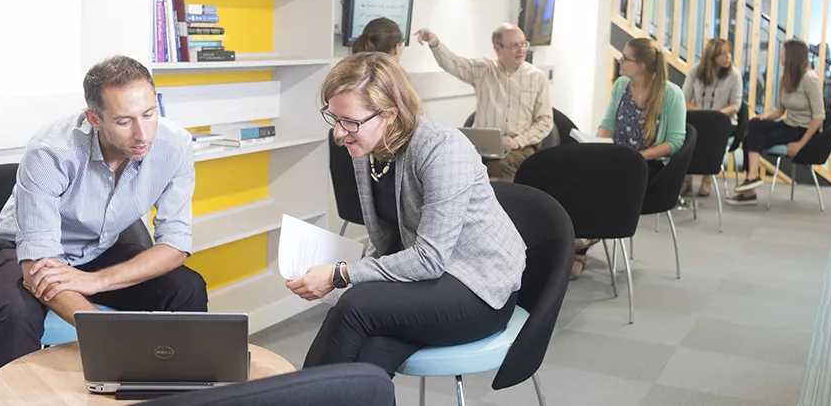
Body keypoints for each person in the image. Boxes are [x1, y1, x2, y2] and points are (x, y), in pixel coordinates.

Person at [0, 55, 208, 397]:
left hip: (99, 250)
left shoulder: (174, 145)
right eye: (124, 121)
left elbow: (175, 246)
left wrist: (94, 281)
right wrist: (110, 337)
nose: (143, 133)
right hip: (20, 251)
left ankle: (179, 396)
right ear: (94, 119)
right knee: (17, 316)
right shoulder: (50, 152)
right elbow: (37, 268)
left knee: (187, 287)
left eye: (149, 113)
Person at [287, 52, 525, 377]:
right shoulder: (366, 145)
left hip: (479, 286)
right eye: (333, 117)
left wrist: (340, 275)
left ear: (389, 115)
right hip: (430, 280)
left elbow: (429, 258)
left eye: (350, 121)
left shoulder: (441, 148)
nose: (339, 133)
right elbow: (390, 239)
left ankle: (297, 398)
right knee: (369, 358)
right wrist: (353, 276)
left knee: (355, 308)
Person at [571, 37, 686, 279]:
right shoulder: (622, 85)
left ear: (642, 66)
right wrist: (597, 144)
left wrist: (638, 158)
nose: (621, 61)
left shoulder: (671, 94)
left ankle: (580, 246)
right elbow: (608, 125)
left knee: (606, 187)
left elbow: (674, 142)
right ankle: (577, 239)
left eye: (626, 58)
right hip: (618, 159)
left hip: (650, 166)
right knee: (578, 177)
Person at [414, 24, 552, 180]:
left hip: (520, 148)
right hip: (482, 147)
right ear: (498, 49)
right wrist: (434, 43)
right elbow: (453, 63)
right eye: (514, 45)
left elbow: (545, 121)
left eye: (523, 43)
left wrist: (517, 141)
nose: (521, 50)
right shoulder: (484, 70)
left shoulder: (537, 78)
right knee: (450, 162)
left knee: (498, 167)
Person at [727, 39, 825, 205]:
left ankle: (750, 186)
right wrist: (764, 117)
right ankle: (752, 176)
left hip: (805, 130)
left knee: (751, 138)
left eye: (783, 52)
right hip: (789, 124)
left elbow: (819, 117)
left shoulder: (810, 79)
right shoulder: (785, 77)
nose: (780, 55)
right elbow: (780, 110)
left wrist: (800, 144)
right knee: (752, 126)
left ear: (791, 55)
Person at [682, 37, 743, 197]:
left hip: (724, 121)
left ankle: (707, 179)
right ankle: (685, 178)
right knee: (684, 133)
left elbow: (735, 105)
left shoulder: (735, 75)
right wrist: (703, 115)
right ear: (712, 56)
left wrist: (713, 117)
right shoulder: (695, 71)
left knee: (710, 132)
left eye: (729, 53)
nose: (728, 57)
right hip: (698, 118)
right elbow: (685, 100)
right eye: (723, 54)